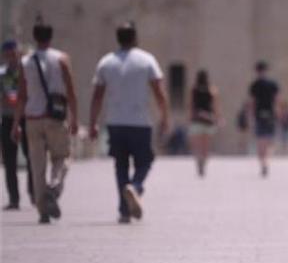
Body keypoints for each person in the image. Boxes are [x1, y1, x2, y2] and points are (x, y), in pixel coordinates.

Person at [88, 22, 169, 224]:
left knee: (120, 165)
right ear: (135, 37)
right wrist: (165, 116)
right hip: (140, 122)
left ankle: (124, 211)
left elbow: (97, 96)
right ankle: (136, 186)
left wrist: (92, 123)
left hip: (115, 123)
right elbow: (159, 92)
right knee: (145, 162)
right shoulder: (147, 60)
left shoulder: (106, 62)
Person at [13, 21, 78, 224]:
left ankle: (42, 210)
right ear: (51, 36)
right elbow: (70, 90)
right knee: (63, 157)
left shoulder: (25, 62)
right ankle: (54, 185)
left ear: (35, 36)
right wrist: (74, 117)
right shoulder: (62, 59)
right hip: (55, 117)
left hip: (32, 119)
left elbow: (21, 95)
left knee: (37, 165)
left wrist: (16, 123)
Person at [1, 40, 33, 210]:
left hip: (26, 118)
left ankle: (34, 192)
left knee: (32, 157)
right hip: (7, 118)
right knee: (9, 161)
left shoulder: (27, 72)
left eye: (13, 54)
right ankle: (14, 198)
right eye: (7, 55)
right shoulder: (1, 74)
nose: (11, 58)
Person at [248, 61, 279, 176]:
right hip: (270, 115)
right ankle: (266, 161)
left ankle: (263, 163)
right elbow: (276, 101)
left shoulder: (254, 85)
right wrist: (278, 115)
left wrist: (250, 117)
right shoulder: (272, 84)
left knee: (260, 141)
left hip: (259, 115)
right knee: (269, 141)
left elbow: (252, 102)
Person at [189, 69, 220, 177]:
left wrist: (190, 118)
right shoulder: (212, 89)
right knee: (206, 146)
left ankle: (199, 162)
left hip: (197, 119)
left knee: (197, 145)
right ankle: (204, 164)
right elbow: (215, 107)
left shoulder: (194, 89)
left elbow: (191, 105)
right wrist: (217, 118)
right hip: (208, 120)